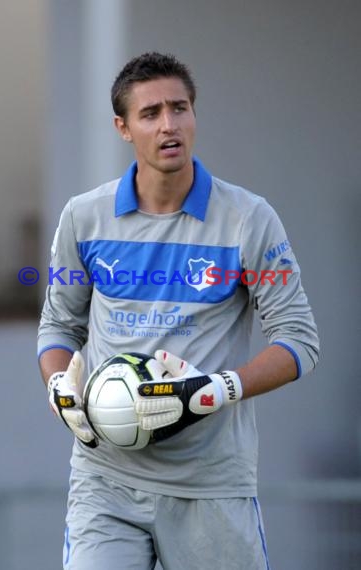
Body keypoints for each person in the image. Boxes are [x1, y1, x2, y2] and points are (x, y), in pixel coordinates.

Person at [38, 52, 319, 570]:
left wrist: (218, 388)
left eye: (180, 108)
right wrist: (60, 388)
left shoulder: (249, 220)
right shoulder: (83, 218)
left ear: (194, 114)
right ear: (123, 127)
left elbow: (299, 342)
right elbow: (59, 326)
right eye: (150, 113)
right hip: (106, 480)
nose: (170, 125)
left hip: (211, 484)